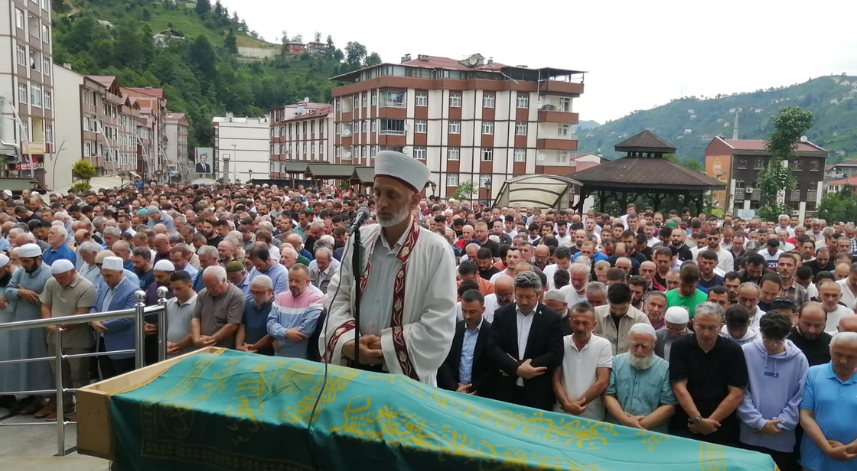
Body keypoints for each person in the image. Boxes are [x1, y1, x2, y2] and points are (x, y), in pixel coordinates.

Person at [322, 151, 457, 385]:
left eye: (392, 195)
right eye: (377, 193)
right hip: (353, 370)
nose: (381, 203)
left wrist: (384, 348)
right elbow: (336, 298)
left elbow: (439, 322)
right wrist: (348, 341)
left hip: (403, 377)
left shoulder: (436, 249)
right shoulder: (360, 239)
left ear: (414, 201)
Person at [670, 302, 749, 446]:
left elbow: (736, 393)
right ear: (693, 324)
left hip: (721, 423)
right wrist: (698, 420)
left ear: (721, 326)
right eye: (701, 327)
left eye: (712, 328)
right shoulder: (680, 346)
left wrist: (709, 423)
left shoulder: (733, 351)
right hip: (686, 421)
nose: (706, 333)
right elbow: (679, 387)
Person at [737, 311, 808, 471]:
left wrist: (780, 425)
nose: (772, 345)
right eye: (767, 339)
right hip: (750, 433)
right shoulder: (746, 351)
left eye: (778, 341)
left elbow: (799, 396)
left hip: (781, 437)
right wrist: (758, 422)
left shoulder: (799, 358)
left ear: (788, 335)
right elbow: (740, 391)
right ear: (761, 332)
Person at [488, 271, 563, 411]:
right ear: (514, 292)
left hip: (538, 392)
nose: (523, 302)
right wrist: (516, 369)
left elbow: (556, 354)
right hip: (505, 391)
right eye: (519, 296)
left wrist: (521, 368)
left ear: (539, 294)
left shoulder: (551, 318)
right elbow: (493, 346)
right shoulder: (502, 314)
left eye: (529, 297)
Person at [37, 259, 97, 420]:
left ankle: (84, 409)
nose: (59, 281)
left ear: (72, 272)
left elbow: (82, 313)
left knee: (79, 376)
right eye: (56, 277)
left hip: (78, 341)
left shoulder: (86, 287)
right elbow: (45, 305)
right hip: (55, 339)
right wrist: (48, 324)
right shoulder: (52, 282)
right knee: (60, 376)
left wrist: (56, 326)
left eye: (62, 277)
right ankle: (65, 407)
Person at [0, 244, 53, 415]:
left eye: (27, 261)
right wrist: (22, 293)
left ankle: (46, 399)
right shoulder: (21, 272)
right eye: (22, 261)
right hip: (22, 325)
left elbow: (47, 299)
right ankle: (32, 398)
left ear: (38, 259)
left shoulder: (49, 273)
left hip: (40, 326)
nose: (24, 264)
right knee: (26, 362)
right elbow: (8, 291)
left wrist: (30, 294)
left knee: (41, 364)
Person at [798, 332, 857, 471]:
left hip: (853, 458)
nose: (843, 361)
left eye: (851, 357)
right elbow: (805, 416)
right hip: (815, 457)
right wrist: (827, 448)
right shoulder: (813, 373)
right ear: (830, 351)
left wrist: (853, 447)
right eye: (838, 354)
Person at [604, 323, 677, 432]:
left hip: (651, 433)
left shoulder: (665, 368)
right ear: (629, 341)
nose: (639, 351)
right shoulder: (615, 362)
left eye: (644, 346)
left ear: (654, 343)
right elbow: (608, 395)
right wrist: (625, 420)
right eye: (635, 345)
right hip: (616, 428)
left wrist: (639, 425)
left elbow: (669, 406)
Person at [552, 302, 612, 420]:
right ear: (570, 322)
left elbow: (602, 381)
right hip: (560, 411)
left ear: (594, 325)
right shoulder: (561, 343)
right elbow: (555, 379)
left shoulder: (603, 345)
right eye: (576, 322)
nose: (580, 328)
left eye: (585, 323)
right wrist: (567, 404)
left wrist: (575, 405)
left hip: (592, 414)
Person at [438, 289, 494, 397]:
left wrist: (471, 388)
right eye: (464, 311)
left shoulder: (491, 332)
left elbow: (491, 368)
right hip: (453, 391)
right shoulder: (454, 330)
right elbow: (444, 359)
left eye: (472, 312)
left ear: (483, 309)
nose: (467, 316)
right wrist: (455, 387)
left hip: (480, 394)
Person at [91, 256, 140, 379]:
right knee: (106, 379)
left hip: (122, 347)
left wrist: (101, 325)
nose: (106, 279)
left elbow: (128, 318)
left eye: (109, 275)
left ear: (121, 273)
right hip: (103, 343)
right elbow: (94, 306)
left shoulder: (132, 291)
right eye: (104, 275)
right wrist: (93, 320)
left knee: (123, 383)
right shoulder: (104, 287)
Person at [267, 264, 323, 359]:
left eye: (297, 281)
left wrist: (281, 343)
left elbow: (306, 330)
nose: (292, 284)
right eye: (290, 280)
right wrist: (286, 333)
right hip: (279, 358)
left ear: (307, 282)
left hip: (301, 359)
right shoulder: (280, 297)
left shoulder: (315, 299)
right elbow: (270, 325)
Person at [191, 266, 245, 349]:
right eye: (206, 286)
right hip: (202, 346)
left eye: (212, 286)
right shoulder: (202, 293)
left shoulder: (236, 295)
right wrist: (196, 339)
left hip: (223, 349)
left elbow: (233, 325)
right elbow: (196, 318)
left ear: (224, 280)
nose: (209, 289)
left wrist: (210, 340)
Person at [593, 283, 651, 355]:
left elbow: (649, 344)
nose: (618, 312)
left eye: (623, 308)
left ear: (630, 300)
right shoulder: (596, 313)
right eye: (613, 308)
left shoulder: (641, 318)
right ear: (608, 299)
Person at [236, 275, 275, 356]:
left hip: (266, 355)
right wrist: (239, 347)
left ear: (270, 291)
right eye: (252, 292)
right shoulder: (248, 303)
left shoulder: (276, 307)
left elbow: (272, 335)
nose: (255, 296)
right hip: (245, 352)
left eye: (258, 293)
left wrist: (252, 348)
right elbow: (242, 325)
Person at [164, 270, 197, 357]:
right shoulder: (169, 303)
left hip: (190, 356)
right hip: (170, 355)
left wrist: (177, 346)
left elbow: (197, 331)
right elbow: (164, 328)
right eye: (172, 288)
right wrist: (165, 343)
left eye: (178, 288)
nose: (174, 292)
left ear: (190, 286)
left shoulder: (199, 304)